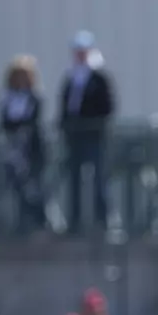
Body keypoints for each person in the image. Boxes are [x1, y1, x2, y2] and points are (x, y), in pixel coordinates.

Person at [59, 30, 116, 231]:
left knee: (98, 177)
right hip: (74, 137)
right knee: (74, 178)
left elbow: (107, 107)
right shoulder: (71, 78)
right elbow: (65, 107)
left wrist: (91, 121)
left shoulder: (99, 78)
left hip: (94, 136)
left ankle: (103, 219)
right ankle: (75, 220)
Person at [0, 55, 45, 232]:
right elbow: (4, 123)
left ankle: (39, 220)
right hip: (14, 150)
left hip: (32, 150)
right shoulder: (7, 98)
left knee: (34, 187)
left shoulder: (35, 97)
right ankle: (20, 222)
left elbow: (32, 121)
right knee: (17, 186)